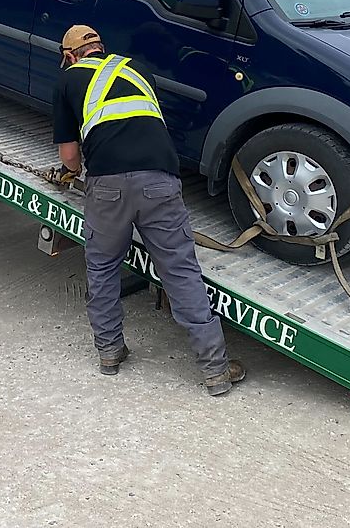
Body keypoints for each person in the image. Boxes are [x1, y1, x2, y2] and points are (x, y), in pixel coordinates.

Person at [51, 24, 245, 396]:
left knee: (103, 267)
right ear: (101, 48)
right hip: (159, 181)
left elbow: (70, 157)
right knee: (180, 270)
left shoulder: (68, 80)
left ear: (69, 56)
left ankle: (110, 351)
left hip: (107, 187)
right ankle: (215, 370)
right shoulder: (137, 69)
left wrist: (69, 173)